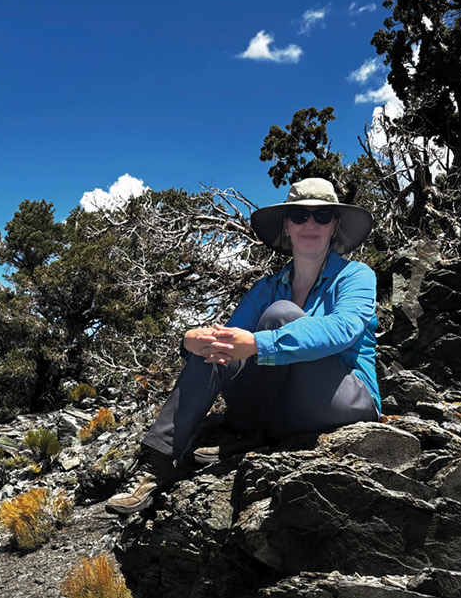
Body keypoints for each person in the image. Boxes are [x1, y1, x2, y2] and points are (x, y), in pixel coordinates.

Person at [105, 177, 381, 515]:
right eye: (299, 215)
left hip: (342, 401)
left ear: (335, 224)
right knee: (213, 347)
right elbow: (229, 343)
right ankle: (158, 464)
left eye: (322, 215)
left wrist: (258, 343)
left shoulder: (356, 276)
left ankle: (251, 432)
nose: (311, 224)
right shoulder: (265, 287)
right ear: (287, 224)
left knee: (280, 316)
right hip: (283, 414)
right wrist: (191, 340)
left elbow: (343, 328)